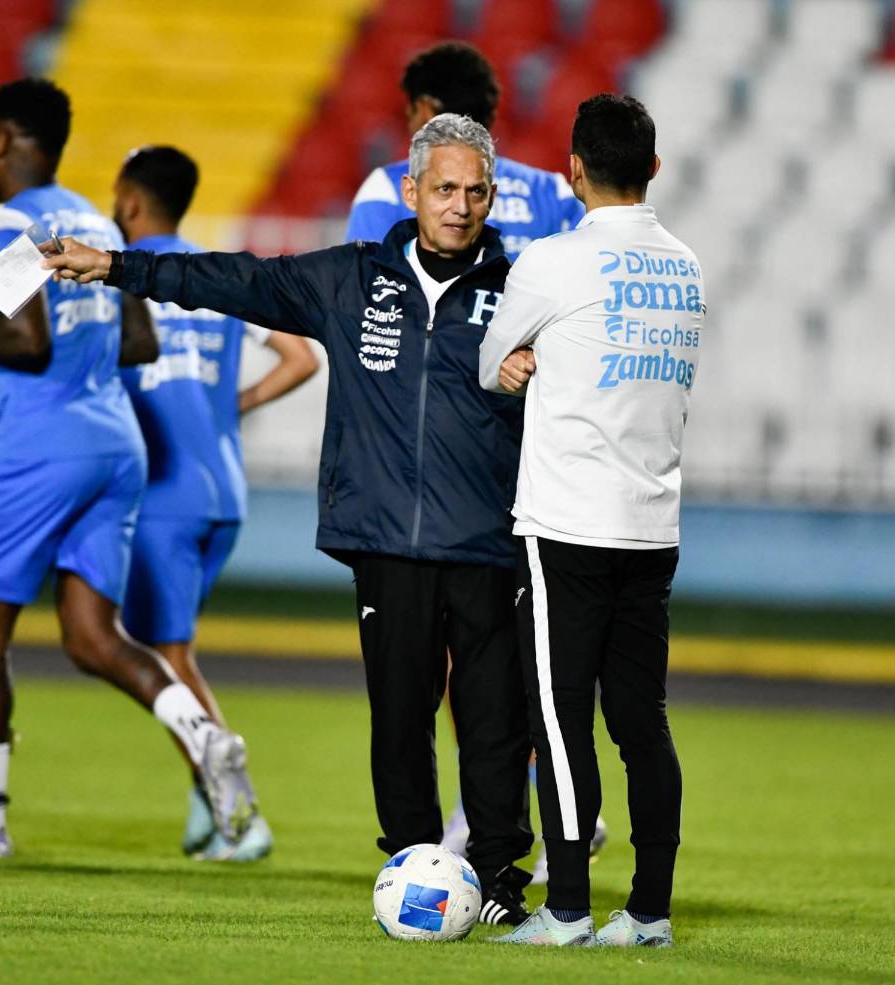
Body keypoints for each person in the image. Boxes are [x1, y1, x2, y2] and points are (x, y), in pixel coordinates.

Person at [46, 113, 537, 925]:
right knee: (400, 720)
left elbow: (590, 379)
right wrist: (115, 267)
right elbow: (233, 279)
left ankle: (500, 884)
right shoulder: (351, 279)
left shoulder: (523, 291)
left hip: (487, 541)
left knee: (494, 723)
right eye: (444, 188)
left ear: (491, 198)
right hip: (385, 541)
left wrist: (543, 370)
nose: (460, 205)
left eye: (475, 192)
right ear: (411, 191)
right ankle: (412, 869)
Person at [0, 79, 258, 858]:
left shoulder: (6, 223)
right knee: (94, 635)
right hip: (116, 444)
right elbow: (140, 340)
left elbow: (26, 339)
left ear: (4, 140)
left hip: (42, 445)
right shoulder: (95, 223)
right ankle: (204, 735)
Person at [346, 39, 604, 878]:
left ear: (425, 115)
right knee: (512, 660)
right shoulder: (555, 197)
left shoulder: (393, 185)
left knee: (434, 667)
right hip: (533, 464)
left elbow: (375, 299)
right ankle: (533, 811)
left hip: (427, 470)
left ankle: (459, 831)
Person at [478, 93, 703, 948]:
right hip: (652, 524)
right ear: (654, 167)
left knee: (560, 716)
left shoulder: (551, 261)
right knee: (642, 721)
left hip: (566, 524)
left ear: (573, 170)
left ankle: (567, 906)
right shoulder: (686, 267)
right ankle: (649, 910)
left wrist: (518, 362)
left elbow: (490, 361)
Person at [113, 145, 319, 861]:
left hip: (163, 494)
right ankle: (207, 805)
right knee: (172, 649)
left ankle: (239, 809)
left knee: (163, 659)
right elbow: (302, 356)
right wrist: (234, 405)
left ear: (129, 202)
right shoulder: (210, 276)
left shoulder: (120, 276)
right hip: (223, 489)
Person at [347, 41, 584, 261]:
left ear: (425, 108)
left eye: (411, 109)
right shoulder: (554, 191)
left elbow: (365, 283)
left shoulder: (388, 189)